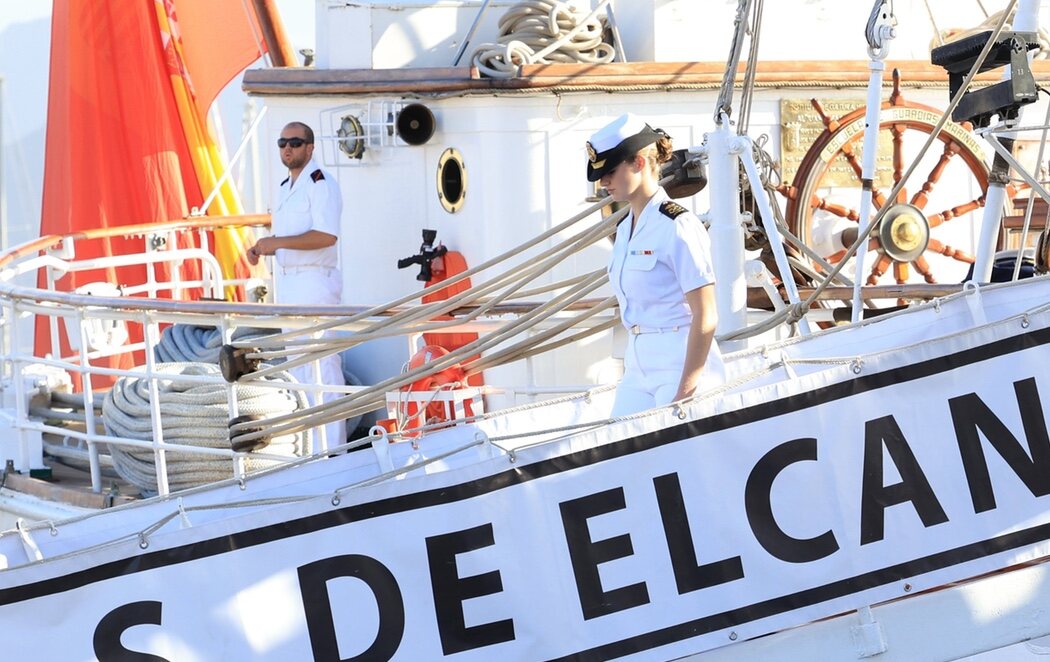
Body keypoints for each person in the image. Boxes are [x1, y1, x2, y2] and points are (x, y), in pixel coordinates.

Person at [586, 113, 725, 417]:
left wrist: (686, 391)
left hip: (679, 361)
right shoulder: (625, 229)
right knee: (618, 450)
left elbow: (706, 314)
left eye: (610, 171)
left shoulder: (678, 225)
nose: (604, 182)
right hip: (638, 363)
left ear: (638, 162)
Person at [247, 121, 346, 447]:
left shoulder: (321, 184)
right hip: (290, 285)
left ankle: (331, 449)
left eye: (294, 142)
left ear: (310, 147)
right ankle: (309, 447)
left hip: (314, 284)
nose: (287, 148)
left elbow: (326, 235)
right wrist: (266, 246)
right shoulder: (285, 186)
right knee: (298, 368)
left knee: (321, 365)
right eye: (282, 142)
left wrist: (276, 243)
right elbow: (289, 237)